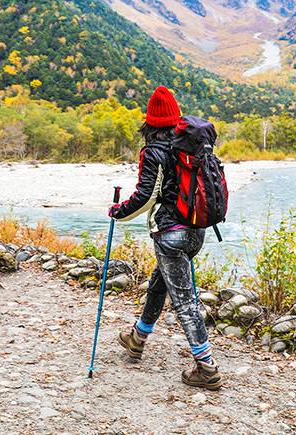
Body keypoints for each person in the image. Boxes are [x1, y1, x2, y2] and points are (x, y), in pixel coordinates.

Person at [108, 86, 222, 390]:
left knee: (185, 302)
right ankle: (138, 338)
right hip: (196, 230)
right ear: (175, 115)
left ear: (150, 120)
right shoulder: (190, 143)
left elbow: (146, 197)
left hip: (170, 234)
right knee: (159, 284)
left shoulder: (153, 151)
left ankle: (206, 367)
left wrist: (118, 212)